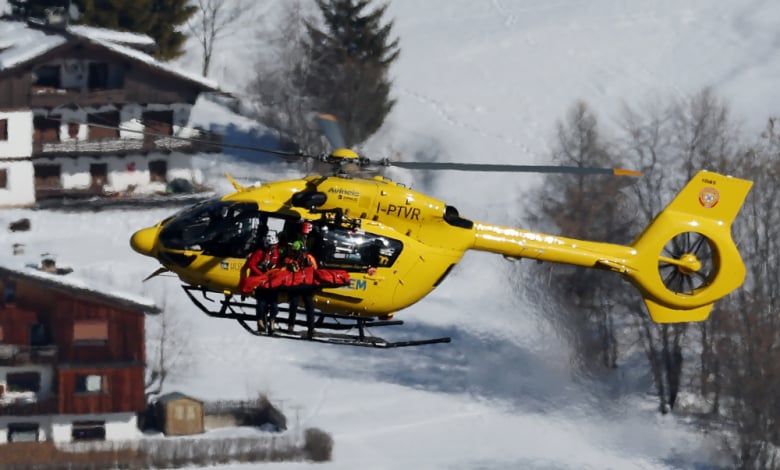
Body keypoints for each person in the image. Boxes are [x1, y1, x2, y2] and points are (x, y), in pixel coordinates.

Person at [286, 222, 318, 339]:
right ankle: (291, 326)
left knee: (309, 306)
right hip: (296, 284)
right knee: (294, 303)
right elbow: (286, 266)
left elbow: (315, 268)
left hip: (306, 284)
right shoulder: (290, 259)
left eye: (294, 251)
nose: (292, 253)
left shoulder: (308, 258)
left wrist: (309, 265)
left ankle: (311, 329)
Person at [247, 230, 281, 334]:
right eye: (272, 246)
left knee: (274, 304)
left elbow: (278, 265)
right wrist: (261, 274)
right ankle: (260, 321)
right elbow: (251, 264)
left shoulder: (276, 253)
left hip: (271, 281)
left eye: (275, 245)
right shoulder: (259, 253)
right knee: (261, 302)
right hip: (261, 280)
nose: (274, 247)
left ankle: (272, 322)